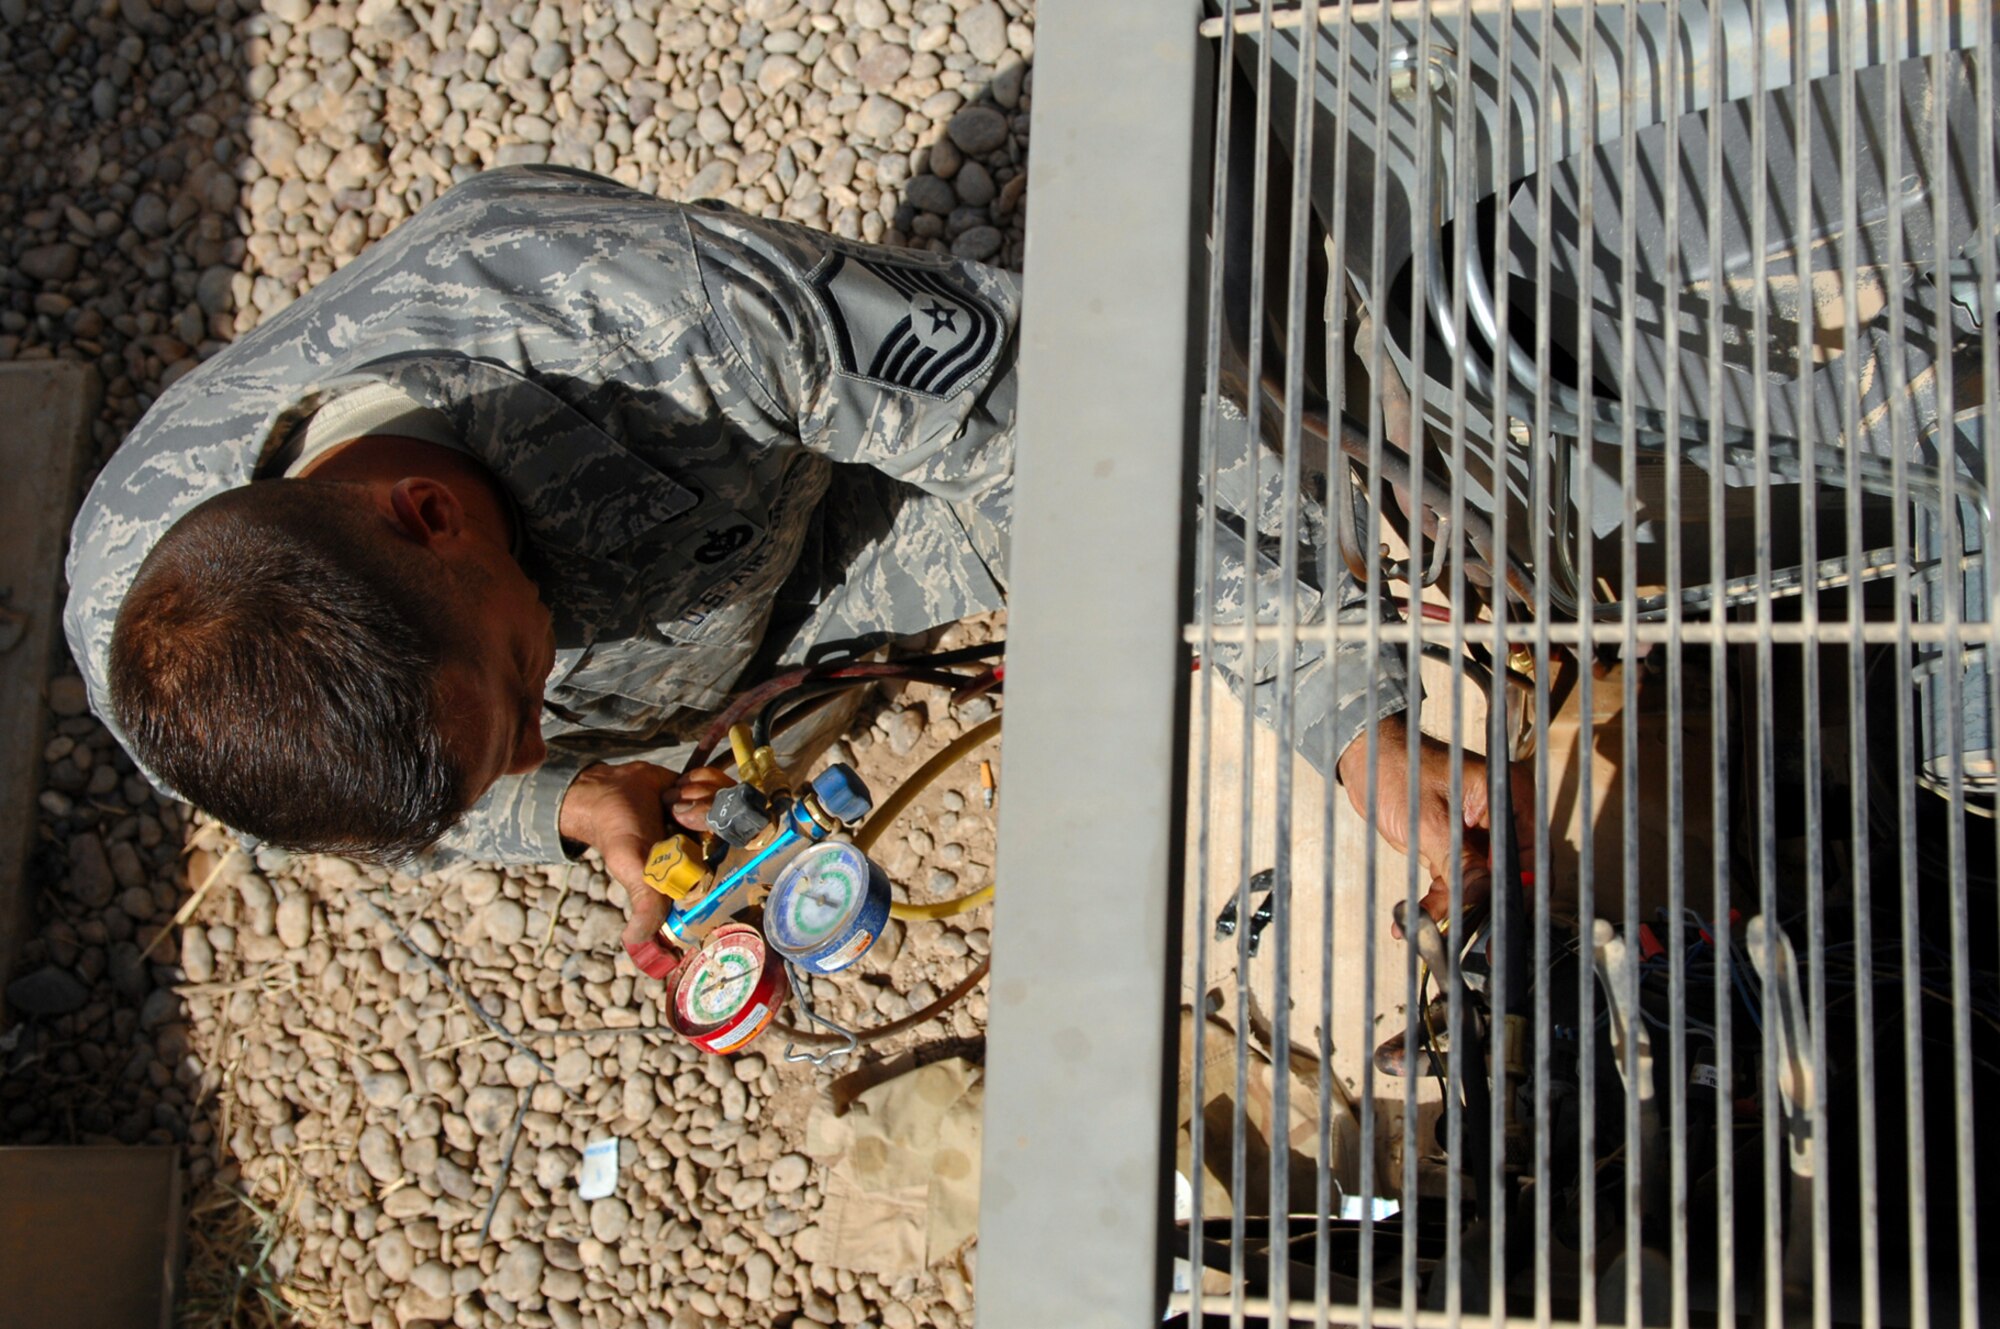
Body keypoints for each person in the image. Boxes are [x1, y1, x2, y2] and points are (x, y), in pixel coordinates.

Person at [65, 164, 1498, 963]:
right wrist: (571, 802)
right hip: (734, 624)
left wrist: (1342, 715)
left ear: (431, 514)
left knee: (1236, 435)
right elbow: (388, 806)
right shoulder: (173, 668)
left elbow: (1084, 420)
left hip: (829, 518)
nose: (544, 730)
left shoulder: (672, 326)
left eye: (520, 690)